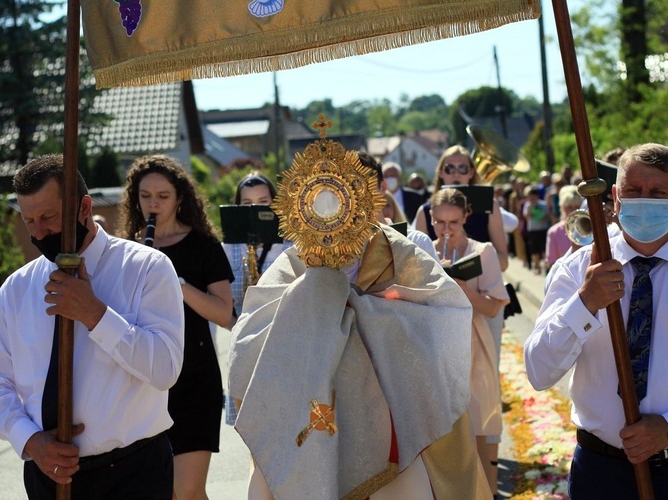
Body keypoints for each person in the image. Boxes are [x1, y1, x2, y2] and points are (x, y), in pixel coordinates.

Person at [228, 147, 491, 499]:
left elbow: (444, 309)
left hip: (396, 412)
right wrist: (310, 298)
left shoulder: (400, 251)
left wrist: (375, 310)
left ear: (363, 200)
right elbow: (253, 331)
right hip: (312, 412)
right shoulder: (295, 261)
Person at [0, 154, 184, 499]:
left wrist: (95, 314)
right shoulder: (18, 288)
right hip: (49, 474)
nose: (38, 232)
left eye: (48, 217)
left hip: (133, 474)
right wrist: (29, 440)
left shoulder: (146, 268)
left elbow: (164, 370)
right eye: (29, 221)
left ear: (84, 209)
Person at [525, 144, 668, 499]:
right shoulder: (576, 269)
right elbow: (539, 370)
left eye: (658, 194)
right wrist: (585, 303)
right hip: (601, 470)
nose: (643, 201)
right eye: (632, 191)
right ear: (614, 195)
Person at [117, 154, 233, 500]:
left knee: (188, 489)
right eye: (145, 196)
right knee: (162, 491)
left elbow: (225, 314)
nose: (153, 204)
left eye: (163, 196)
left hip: (195, 379)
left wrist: (175, 281)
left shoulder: (202, 246)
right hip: (146, 381)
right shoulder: (127, 250)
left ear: (180, 198)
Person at [430, 188, 509, 495]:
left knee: (477, 424)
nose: (447, 230)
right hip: (437, 348)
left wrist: (464, 290)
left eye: (453, 223)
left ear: (466, 218)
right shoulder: (423, 251)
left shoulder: (483, 251)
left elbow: (493, 306)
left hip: (473, 345)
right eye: (440, 223)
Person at [412, 145, 509, 272]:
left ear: (471, 172)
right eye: (449, 168)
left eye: (462, 168)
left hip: (480, 286)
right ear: (441, 172)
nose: (456, 173)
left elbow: (503, 262)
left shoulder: (490, 205)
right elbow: (417, 265)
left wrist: (467, 267)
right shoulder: (424, 211)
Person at [223, 173, 292, 320]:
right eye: (247, 203)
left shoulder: (292, 247)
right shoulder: (227, 249)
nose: (255, 208)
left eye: (263, 202)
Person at [545, 185, 583, 272]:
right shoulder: (554, 232)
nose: (573, 210)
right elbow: (552, 264)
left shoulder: (590, 228)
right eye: (569, 207)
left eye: (577, 207)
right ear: (562, 208)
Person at [523, 186, 550, 275]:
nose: (532, 198)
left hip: (542, 230)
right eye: (530, 196)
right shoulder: (527, 205)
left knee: (544, 249)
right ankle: (537, 267)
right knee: (534, 250)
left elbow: (547, 216)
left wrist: (542, 217)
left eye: (533, 195)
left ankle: (547, 267)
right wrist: (531, 207)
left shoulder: (543, 204)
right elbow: (526, 217)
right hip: (532, 231)